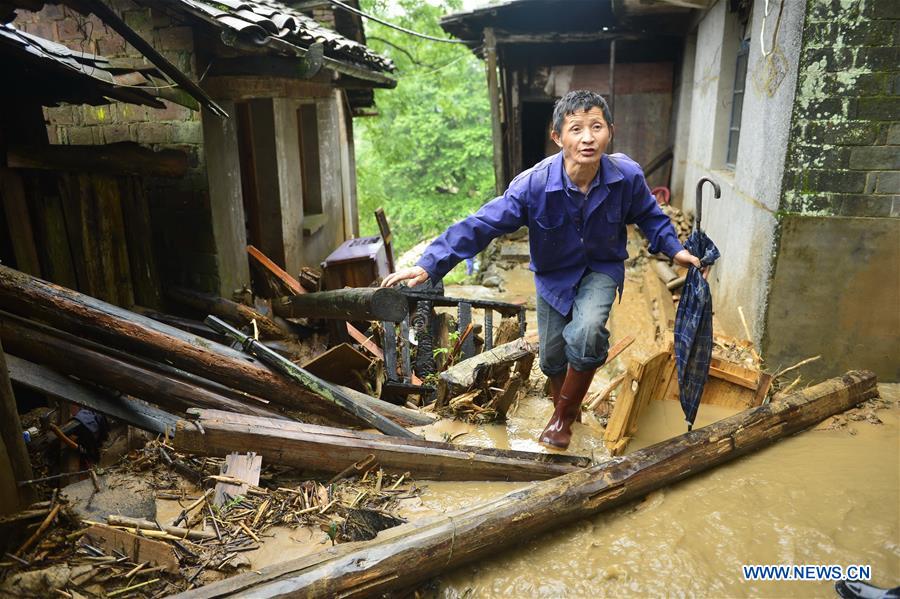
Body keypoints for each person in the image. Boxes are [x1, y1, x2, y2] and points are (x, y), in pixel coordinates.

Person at [382, 90, 701, 450]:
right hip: (552, 278)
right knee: (552, 358)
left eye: (596, 127)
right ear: (557, 137)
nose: (587, 137)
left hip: (601, 268)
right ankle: (567, 408)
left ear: (610, 131)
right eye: (576, 128)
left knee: (587, 333)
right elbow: (482, 224)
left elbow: (649, 215)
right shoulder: (534, 184)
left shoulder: (625, 176)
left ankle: (561, 419)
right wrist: (429, 265)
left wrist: (676, 250)